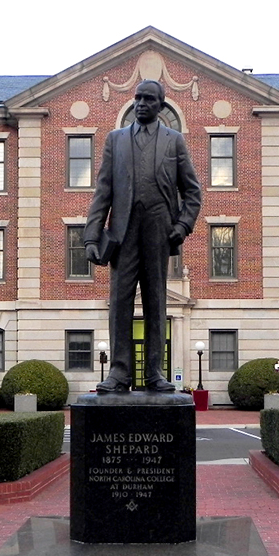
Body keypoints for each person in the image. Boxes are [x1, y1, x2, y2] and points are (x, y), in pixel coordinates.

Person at [83, 79, 202, 393]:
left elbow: (192, 191)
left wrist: (182, 225)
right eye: (137, 98)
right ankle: (119, 373)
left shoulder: (174, 141)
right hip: (123, 233)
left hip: (159, 231)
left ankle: (154, 373)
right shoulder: (115, 139)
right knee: (120, 302)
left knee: (156, 302)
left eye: (148, 99)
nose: (141, 103)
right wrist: (91, 236)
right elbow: (102, 191)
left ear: (160, 105)